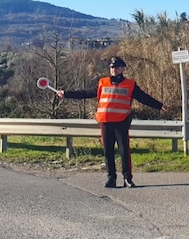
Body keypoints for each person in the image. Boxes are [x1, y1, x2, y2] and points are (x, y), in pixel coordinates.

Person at [57, 56, 167, 188]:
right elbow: (86, 93)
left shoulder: (130, 84)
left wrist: (159, 106)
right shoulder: (102, 82)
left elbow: (144, 98)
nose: (113, 69)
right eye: (111, 67)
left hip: (121, 122)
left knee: (124, 151)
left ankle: (127, 178)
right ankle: (111, 178)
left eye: (116, 67)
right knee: (108, 151)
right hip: (105, 122)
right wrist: (67, 94)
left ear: (123, 68)